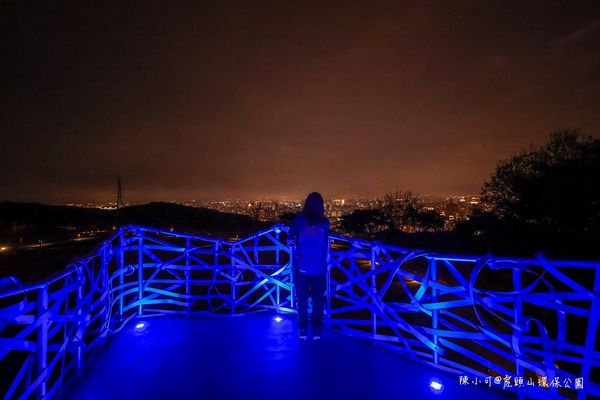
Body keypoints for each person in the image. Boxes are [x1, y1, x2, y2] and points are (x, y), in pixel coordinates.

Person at [288, 192, 330, 340]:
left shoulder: (299, 220)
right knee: (318, 299)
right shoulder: (324, 222)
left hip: (301, 267)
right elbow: (325, 244)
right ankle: (317, 329)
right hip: (319, 268)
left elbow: (291, 241)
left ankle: (302, 329)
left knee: (302, 299)